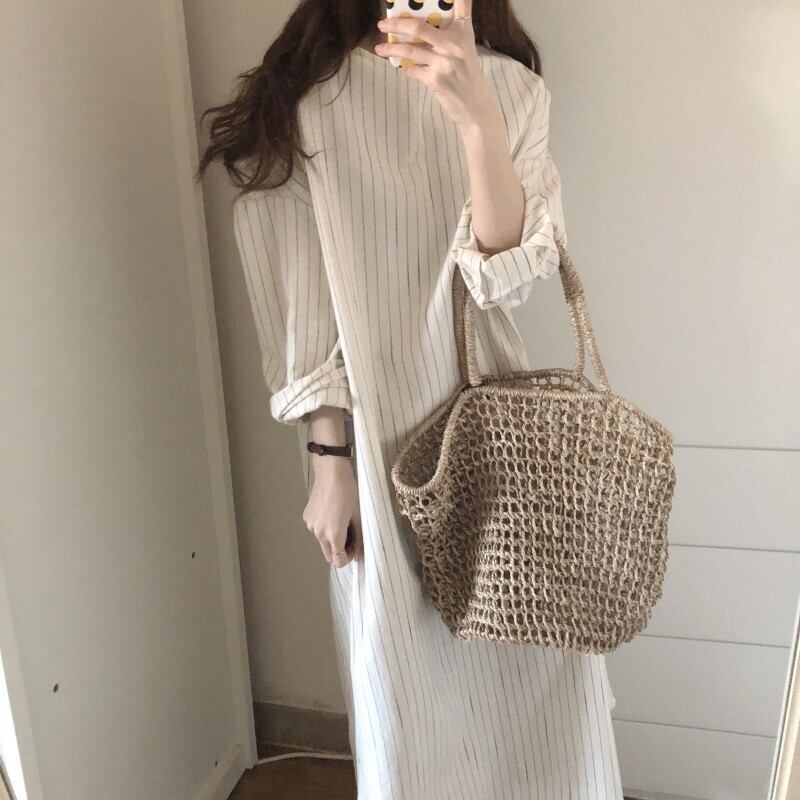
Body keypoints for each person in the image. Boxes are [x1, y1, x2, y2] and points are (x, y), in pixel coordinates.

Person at [198, 0, 624, 796]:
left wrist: (475, 116)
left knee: (541, 687)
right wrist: (328, 461)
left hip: (501, 441)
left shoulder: (514, 91)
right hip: (375, 443)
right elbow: (302, 298)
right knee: (406, 703)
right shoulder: (313, 97)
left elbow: (509, 277)